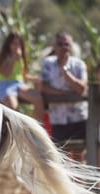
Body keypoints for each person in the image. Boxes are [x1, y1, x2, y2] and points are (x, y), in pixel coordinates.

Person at [40, 32, 88, 161]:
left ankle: (79, 182)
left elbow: (81, 89)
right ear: (55, 46)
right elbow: (43, 87)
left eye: (66, 44)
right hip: (57, 120)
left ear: (71, 46)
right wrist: (63, 93)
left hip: (78, 118)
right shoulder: (48, 63)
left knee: (78, 157)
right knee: (61, 159)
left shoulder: (79, 64)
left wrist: (65, 71)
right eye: (60, 44)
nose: (63, 47)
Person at [0, 32, 45, 121]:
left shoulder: (21, 58)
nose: (16, 46)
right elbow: (6, 74)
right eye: (14, 43)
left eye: (19, 44)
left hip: (19, 85)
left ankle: (36, 126)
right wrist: (13, 59)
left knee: (38, 98)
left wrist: (36, 79)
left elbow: (23, 75)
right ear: (9, 44)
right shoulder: (5, 57)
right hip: (6, 85)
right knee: (13, 107)